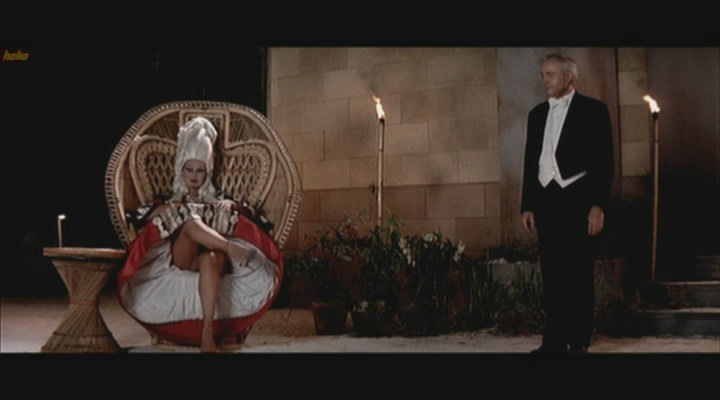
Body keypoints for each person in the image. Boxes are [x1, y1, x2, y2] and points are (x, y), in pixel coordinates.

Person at [117, 117, 281, 353]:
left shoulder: (218, 197)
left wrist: (233, 206)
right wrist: (168, 208)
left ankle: (207, 332)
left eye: (200, 170)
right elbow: (140, 217)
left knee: (211, 257)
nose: (194, 176)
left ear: (207, 172)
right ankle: (230, 247)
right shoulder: (168, 198)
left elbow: (253, 215)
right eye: (189, 169)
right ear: (180, 169)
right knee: (189, 222)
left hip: (213, 258)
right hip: (184, 256)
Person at [520, 53, 614, 353]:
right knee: (552, 274)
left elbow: (604, 161)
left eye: (550, 75)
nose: (544, 80)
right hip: (546, 201)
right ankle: (554, 342)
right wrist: (528, 205)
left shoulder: (593, 110)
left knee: (578, 273)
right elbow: (530, 162)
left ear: (568, 78)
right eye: (543, 75)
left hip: (578, 200)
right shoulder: (536, 114)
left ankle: (579, 340)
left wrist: (598, 205)